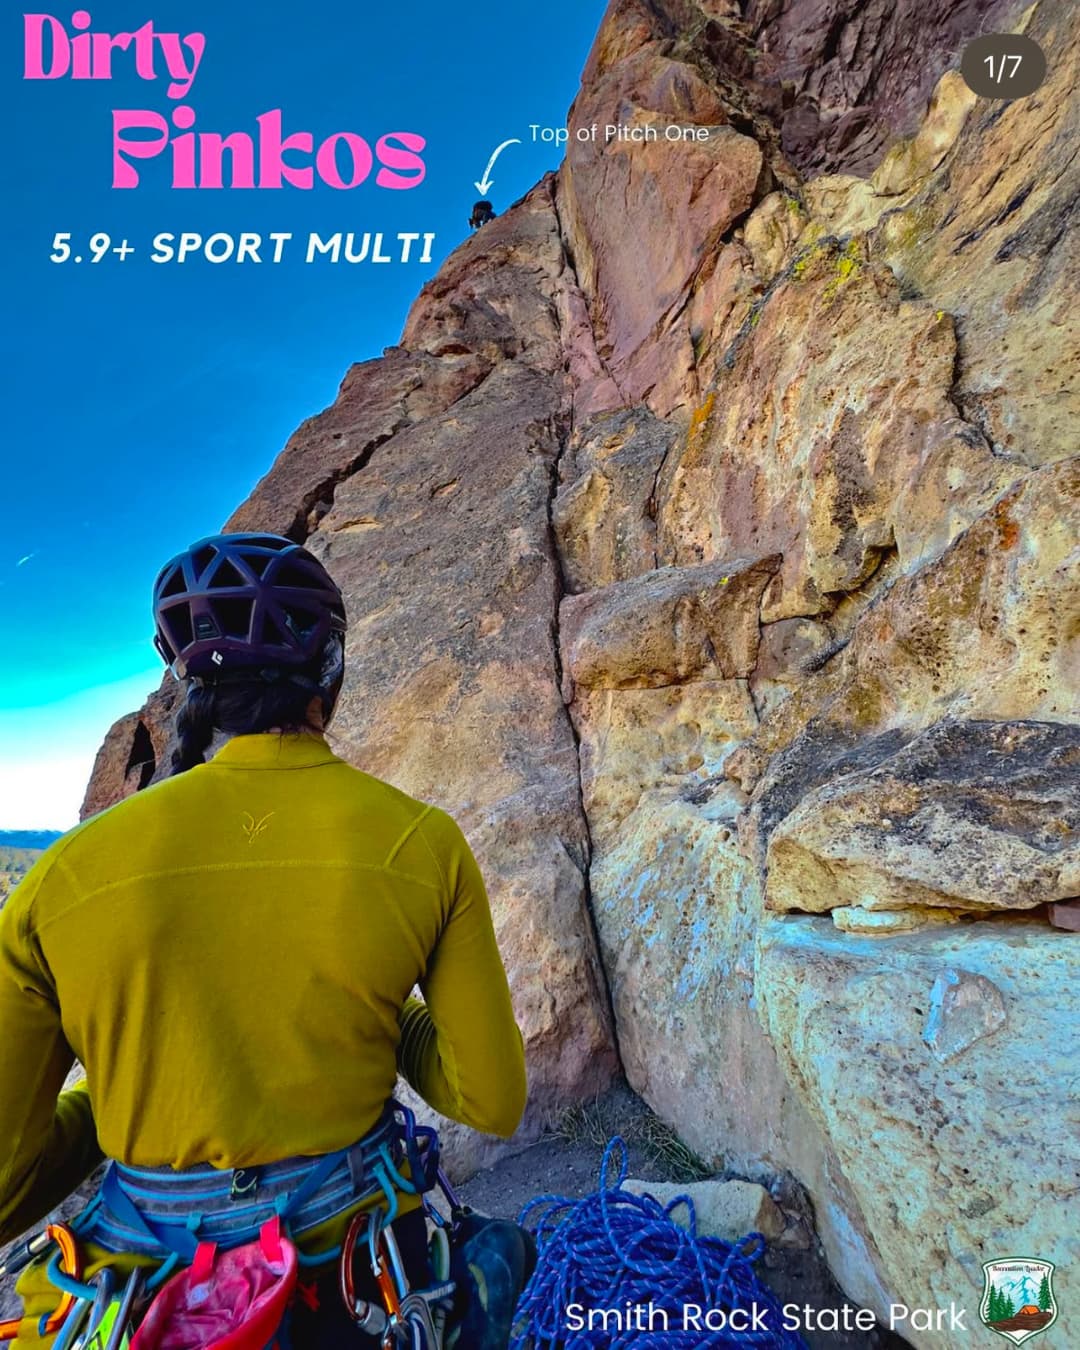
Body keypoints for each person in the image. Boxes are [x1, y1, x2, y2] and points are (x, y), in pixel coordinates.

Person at [0, 532, 529, 1347]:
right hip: (360, 1286)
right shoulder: (420, 842)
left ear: (186, 685)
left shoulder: (61, 878)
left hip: (144, 1300)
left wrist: (103, 1095)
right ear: (331, 672)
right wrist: (381, 1019)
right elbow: (489, 1098)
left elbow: (6, 1184)